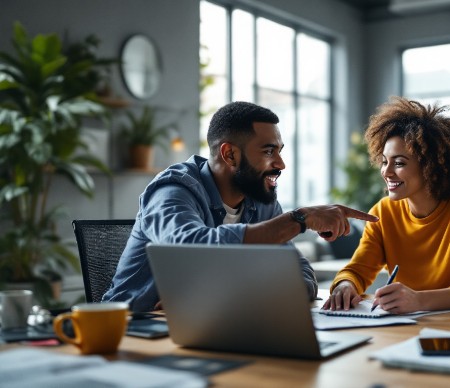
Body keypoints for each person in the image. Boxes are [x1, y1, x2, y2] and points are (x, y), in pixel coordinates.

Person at [103, 101, 378, 312]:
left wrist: (221, 295)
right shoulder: (173, 191)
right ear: (230, 154)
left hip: (207, 324)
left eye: (280, 150)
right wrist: (300, 219)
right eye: (269, 151)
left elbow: (301, 275)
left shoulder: (260, 202)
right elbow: (188, 248)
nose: (281, 163)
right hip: (133, 329)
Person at [323, 97, 450, 314]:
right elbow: (357, 270)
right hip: (408, 326)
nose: (386, 171)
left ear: (430, 166)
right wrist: (346, 285)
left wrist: (419, 301)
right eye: (384, 161)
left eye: (399, 163)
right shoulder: (383, 213)